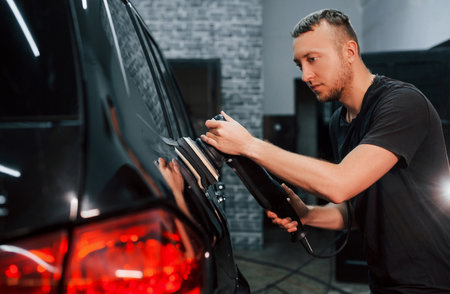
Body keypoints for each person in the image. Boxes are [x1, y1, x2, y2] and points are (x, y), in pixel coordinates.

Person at [201, 9, 450, 293]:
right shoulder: (339, 122)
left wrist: (249, 145)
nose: (306, 75)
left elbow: (340, 183)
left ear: (349, 51)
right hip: (384, 281)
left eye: (313, 59)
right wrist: (308, 214)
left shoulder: (403, 104)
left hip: (433, 281)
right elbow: (356, 210)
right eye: (300, 65)